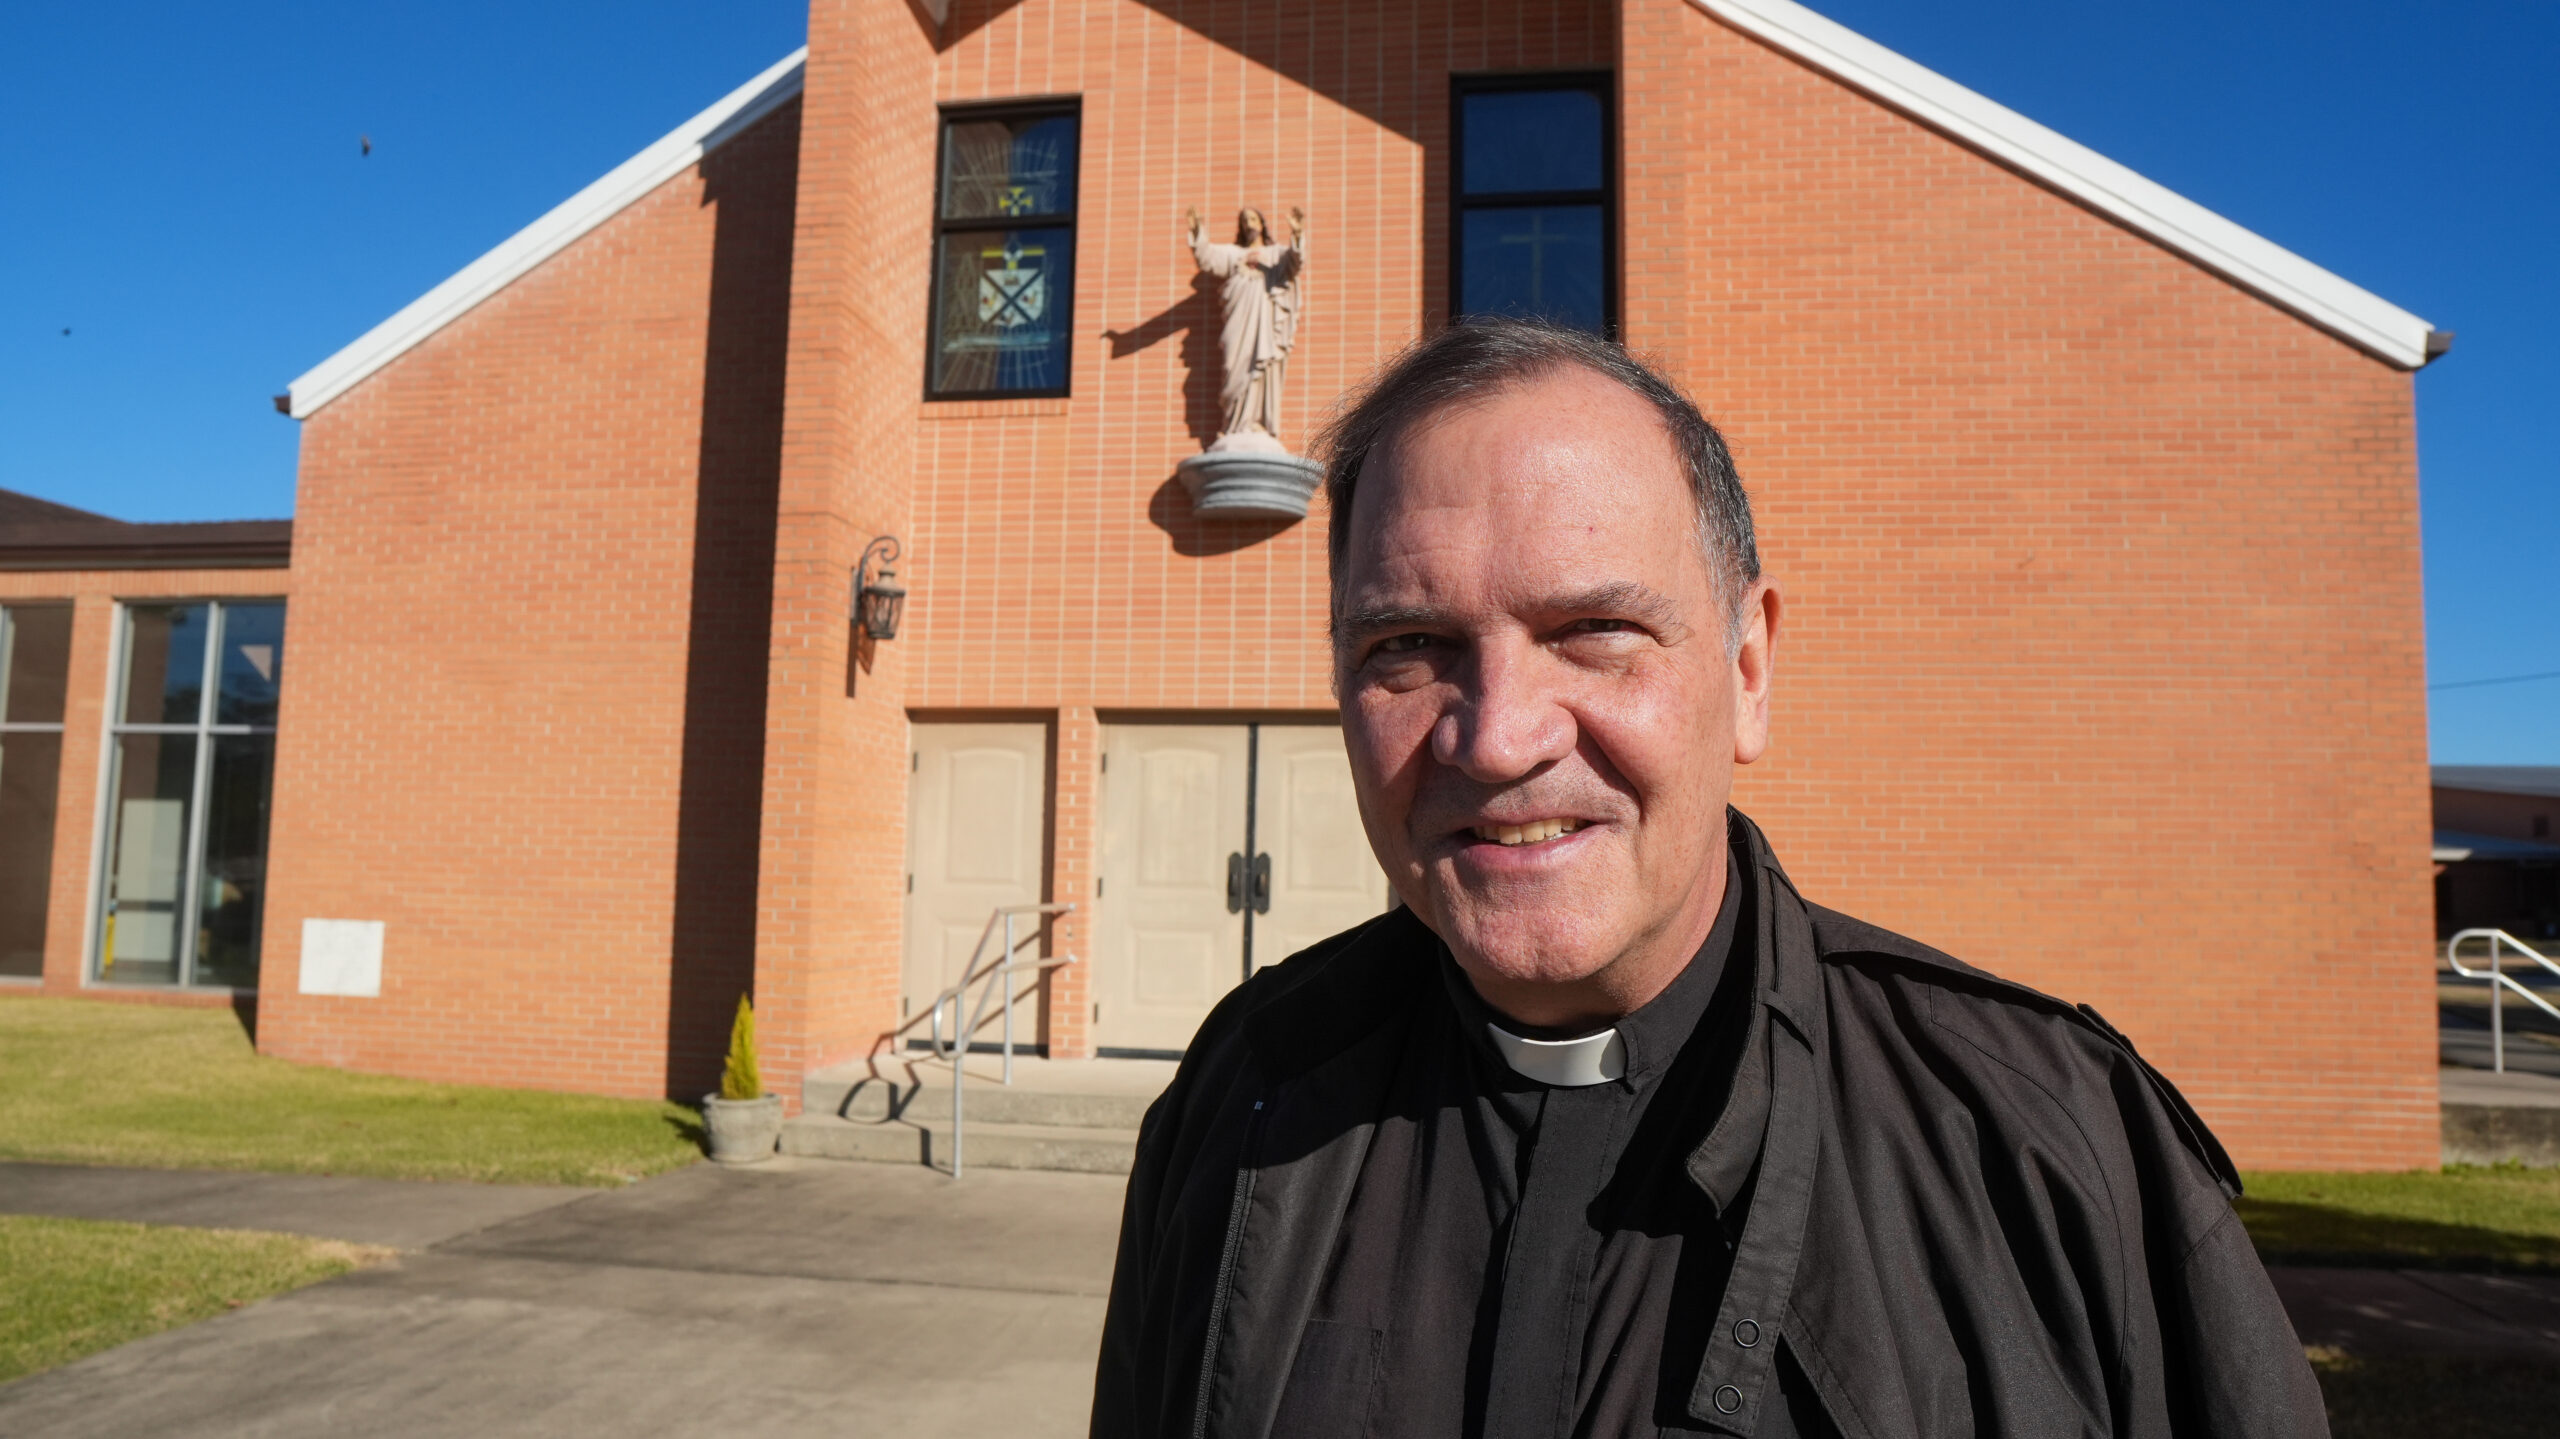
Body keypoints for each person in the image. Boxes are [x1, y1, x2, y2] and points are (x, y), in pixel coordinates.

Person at [1091, 319, 2326, 1438]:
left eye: (1593, 633)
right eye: (1408, 647)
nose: (1498, 734)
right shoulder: (1247, 1095)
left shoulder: (2049, 1144)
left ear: (1746, 671)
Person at [1188, 205, 1306, 445]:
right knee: (1233, 364)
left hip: (1266, 324)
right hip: (1238, 322)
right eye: (1244, 221)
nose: (1249, 224)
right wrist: (1198, 229)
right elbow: (1208, 257)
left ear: (1262, 224)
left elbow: (1294, 263)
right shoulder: (1234, 255)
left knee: (1263, 369)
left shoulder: (1275, 254)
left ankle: (1259, 422)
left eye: (1253, 219)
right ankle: (1234, 425)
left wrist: (1296, 234)